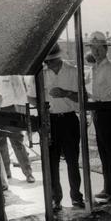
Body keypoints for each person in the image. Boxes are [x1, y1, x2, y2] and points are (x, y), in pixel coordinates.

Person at [40, 43, 85, 211]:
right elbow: (31, 97)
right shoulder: (41, 74)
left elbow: (83, 98)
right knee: (52, 163)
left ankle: (76, 197)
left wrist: (65, 93)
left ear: (58, 58)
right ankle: (55, 199)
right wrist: (41, 104)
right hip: (50, 121)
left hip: (69, 120)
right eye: (46, 62)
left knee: (73, 161)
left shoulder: (73, 71)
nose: (47, 65)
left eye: (50, 61)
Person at [87, 31, 111, 203]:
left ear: (105, 49)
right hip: (98, 112)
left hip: (108, 113)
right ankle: (108, 188)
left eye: (99, 49)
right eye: (93, 49)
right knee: (104, 154)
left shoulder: (109, 69)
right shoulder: (95, 68)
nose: (96, 52)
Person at [0, 75, 35, 183]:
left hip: (10, 109)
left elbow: (20, 92)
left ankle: (28, 173)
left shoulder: (10, 73)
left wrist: (21, 113)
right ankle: (6, 173)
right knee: (1, 143)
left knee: (17, 142)